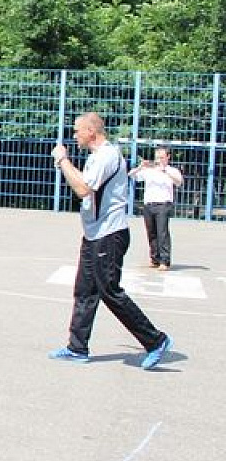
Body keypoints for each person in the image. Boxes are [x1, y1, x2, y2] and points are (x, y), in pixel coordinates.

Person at [49, 113, 174, 369]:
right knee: (84, 291)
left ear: (91, 131)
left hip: (109, 235)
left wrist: (62, 160)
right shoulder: (97, 156)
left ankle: (155, 340)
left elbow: (83, 188)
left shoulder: (106, 156)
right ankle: (77, 347)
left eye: (78, 131)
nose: (75, 136)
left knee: (111, 292)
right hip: (95, 234)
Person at [129, 146, 183, 271]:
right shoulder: (149, 170)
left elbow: (179, 182)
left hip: (163, 204)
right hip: (149, 204)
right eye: (157, 157)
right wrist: (141, 167)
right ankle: (155, 258)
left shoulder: (172, 170)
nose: (159, 160)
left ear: (168, 157)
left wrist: (165, 171)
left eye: (162, 157)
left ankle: (165, 260)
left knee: (162, 232)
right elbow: (131, 175)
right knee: (151, 232)